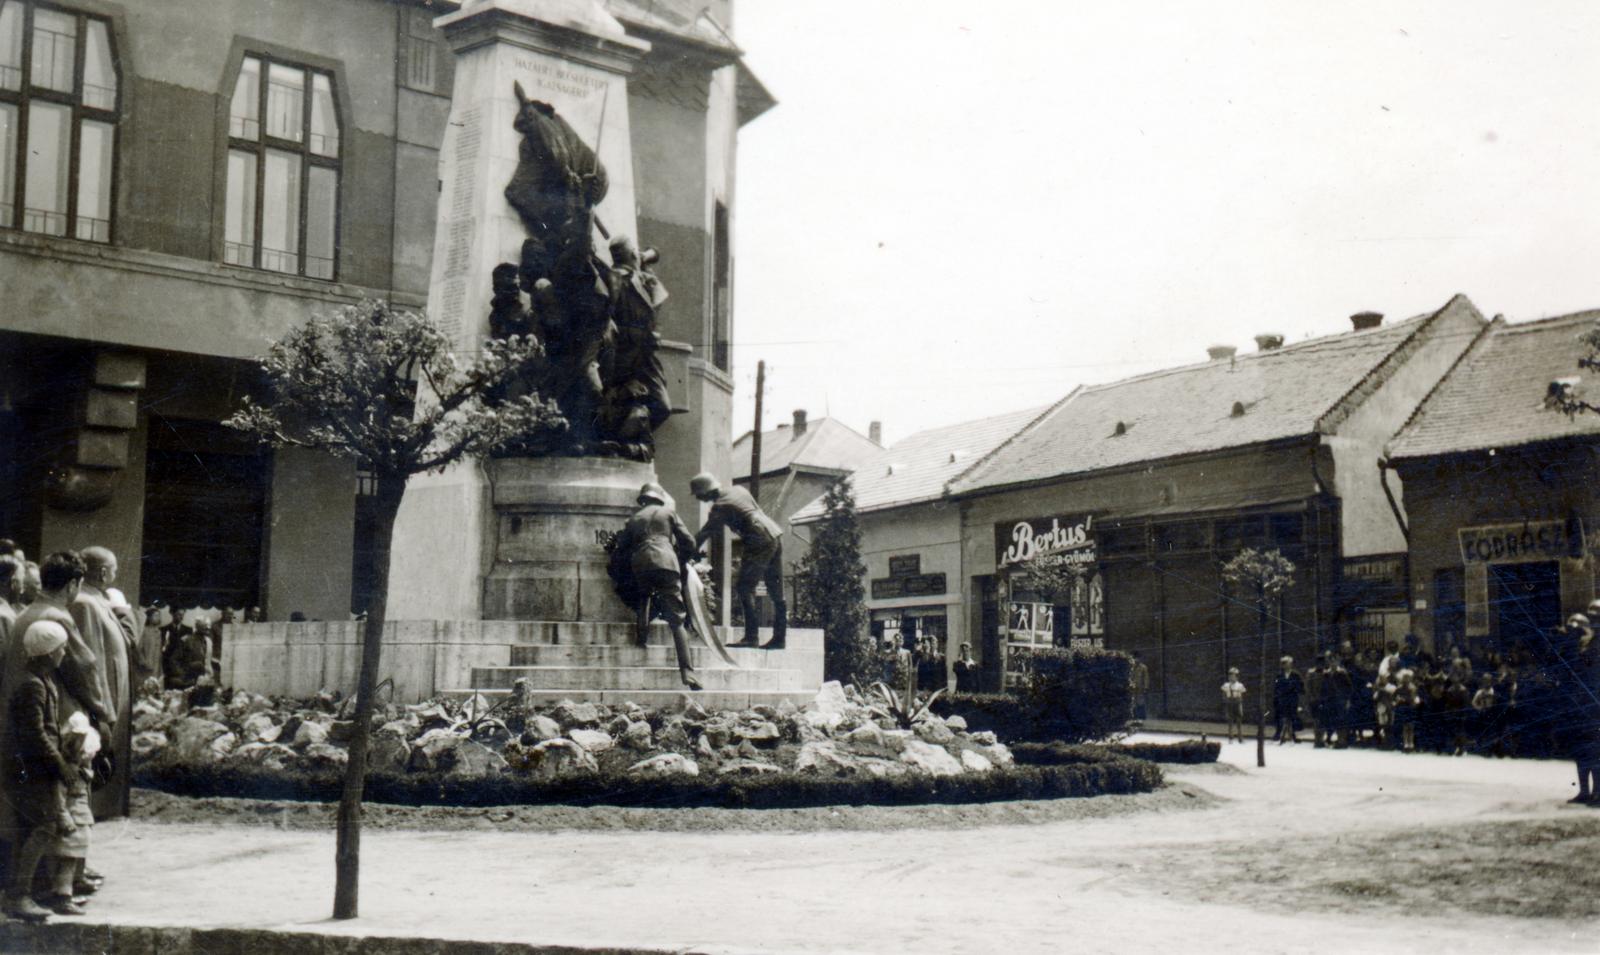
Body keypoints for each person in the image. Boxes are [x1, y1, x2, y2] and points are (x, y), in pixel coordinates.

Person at [1, 620, 77, 921]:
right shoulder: (34, 684)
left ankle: (24, 891)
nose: (64, 653)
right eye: (60, 648)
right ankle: (19, 895)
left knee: (39, 827)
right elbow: (35, 734)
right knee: (42, 826)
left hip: (34, 767)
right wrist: (60, 765)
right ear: (47, 653)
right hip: (30, 770)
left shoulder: (41, 680)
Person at [611, 482, 702, 690]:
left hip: (641, 564)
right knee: (677, 620)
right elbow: (688, 542)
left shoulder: (633, 519)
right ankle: (687, 673)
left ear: (642, 500)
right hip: (666, 563)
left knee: (643, 599)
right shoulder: (668, 513)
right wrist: (681, 560)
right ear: (659, 498)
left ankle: (641, 640)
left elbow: (622, 548)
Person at [69, 548, 135, 821]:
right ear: (103, 572)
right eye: (114, 569)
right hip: (103, 702)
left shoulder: (98, 602)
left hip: (113, 698)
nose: (116, 574)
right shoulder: (85, 604)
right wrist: (101, 712)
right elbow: (89, 663)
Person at [690, 472, 786, 649]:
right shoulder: (739, 490)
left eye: (699, 495)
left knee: (744, 588)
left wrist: (687, 550)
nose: (700, 499)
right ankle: (780, 639)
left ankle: (751, 637)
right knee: (777, 591)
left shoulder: (720, 506)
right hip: (774, 534)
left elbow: (705, 533)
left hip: (758, 539)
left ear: (706, 492)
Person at [1311, 651, 1351, 749]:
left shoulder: (1342, 673)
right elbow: (1323, 688)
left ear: (1338, 661)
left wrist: (1347, 700)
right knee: (1328, 720)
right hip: (1328, 701)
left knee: (1340, 721)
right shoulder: (1326, 674)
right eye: (1331, 660)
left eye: (1335, 660)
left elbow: (1349, 687)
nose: (1333, 663)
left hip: (1339, 700)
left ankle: (1342, 741)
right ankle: (1323, 740)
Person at [1272, 656, 1303, 744]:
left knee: (1292, 717)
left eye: (1287, 663)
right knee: (1281, 717)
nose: (1286, 665)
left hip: (1292, 699)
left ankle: (1293, 735)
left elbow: (1300, 686)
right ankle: (1280, 734)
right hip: (1282, 699)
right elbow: (1276, 687)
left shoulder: (1295, 675)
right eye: (1284, 663)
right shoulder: (1279, 675)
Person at [1221, 667, 1246, 743]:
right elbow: (1224, 694)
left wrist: (1240, 703)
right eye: (1230, 676)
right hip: (1229, 703)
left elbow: (1243, 695)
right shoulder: (1226, 685)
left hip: (1237, 703)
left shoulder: (1240, 685)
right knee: (1230, 721)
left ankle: (1240, 737)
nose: (1231, 677)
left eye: (1233, 676)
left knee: (1239, 721)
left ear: (1237, 677)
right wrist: (1225, 701)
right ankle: (1230, 737)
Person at [1129, 651, 1150, 722]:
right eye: (1134, 658)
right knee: (1133, 704)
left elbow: (1146, 678)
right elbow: (1130, 677)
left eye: (1137, 658)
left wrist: (1146, 687)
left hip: (1140, 688)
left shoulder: (1143, 667)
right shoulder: (1131, 667)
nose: (1136, 660)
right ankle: (1134, 718)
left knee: (1140, 703)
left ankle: (1141, 718)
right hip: (1132, 689)